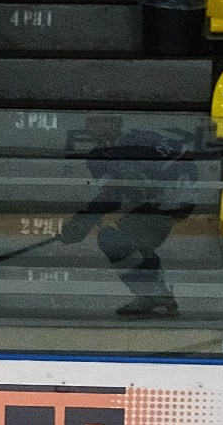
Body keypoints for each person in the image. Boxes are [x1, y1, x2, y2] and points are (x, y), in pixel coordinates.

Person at [58, 119, 199, 321]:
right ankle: (154, 295)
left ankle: (154, 295)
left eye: (103, 121)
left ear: (117, 123)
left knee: (118, 240)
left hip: (169, 203)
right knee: (122, 240)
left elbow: (184, 161)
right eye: (91, 121)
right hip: (148, 205)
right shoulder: (97, 157)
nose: (96, 125)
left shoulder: (142, 141)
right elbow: (113, 193)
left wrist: (82, 223)